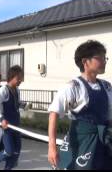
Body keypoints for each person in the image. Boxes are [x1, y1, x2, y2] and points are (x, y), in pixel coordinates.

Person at [48, 40, 112, 170]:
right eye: (100, 57)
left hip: (104, 139)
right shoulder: (73, 86)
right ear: (85, 62)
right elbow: (54, 114)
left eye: (105, 58)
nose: (104, 61)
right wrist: (52, 147)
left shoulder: (107, 86)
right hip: (82, 141)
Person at [0, 65, 25, 170]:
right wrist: (1, 119)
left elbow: (16, 104)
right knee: (9, 151)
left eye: (21, 78)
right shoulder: (3, 91)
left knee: (16, 151)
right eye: (18, 78)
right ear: (11, 77)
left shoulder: (17, 90)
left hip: (16, 125)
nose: (20, 80)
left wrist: (23, 105)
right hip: (6, 127)